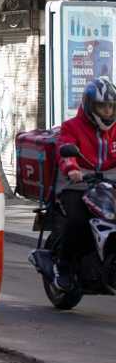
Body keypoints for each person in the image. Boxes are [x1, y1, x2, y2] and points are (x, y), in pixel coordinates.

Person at [55, 76, 116, 290]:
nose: (107, 111)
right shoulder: (72, 126)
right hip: (77, 184)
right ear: (90, 106)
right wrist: (72, 169)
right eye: (102, 106)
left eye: (111, 106)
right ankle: (63, 266)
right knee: (78, 221)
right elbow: (64, 150)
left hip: (108, 183)